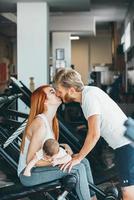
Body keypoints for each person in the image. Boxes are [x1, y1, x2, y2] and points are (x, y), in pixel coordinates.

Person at [54, 68, 134, 200]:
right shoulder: (89, 93)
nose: (58, 94)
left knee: (128, 194)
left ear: (72, 90)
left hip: (126, 145)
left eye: (60, 91)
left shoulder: (88, 98)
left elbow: (94, 134)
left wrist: (78, 157)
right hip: (125, 143)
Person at [17, 84, 96, 200]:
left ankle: (93, 198)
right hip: (29, 174)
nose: (57, 93)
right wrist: (57, 161)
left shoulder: (51, 121)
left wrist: (64, 149)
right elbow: (30, 160)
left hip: (39, 169)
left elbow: (47, 148)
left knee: (83, 161)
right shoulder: (40, 124)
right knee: (77, 168)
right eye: (52, 92)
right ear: (44, 101)